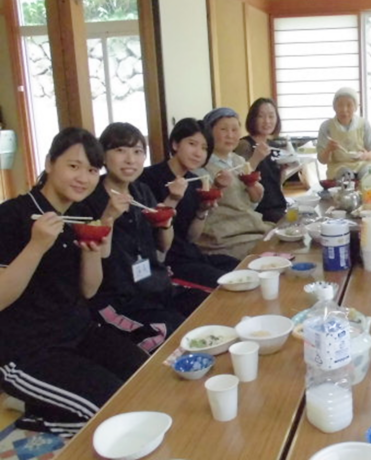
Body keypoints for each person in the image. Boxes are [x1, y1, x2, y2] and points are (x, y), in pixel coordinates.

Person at [0, 128, 147, 437]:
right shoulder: (13, 216)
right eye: (73, 166)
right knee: (108, 415)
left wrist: (93, 250)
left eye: (92, 170)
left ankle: (42, 406)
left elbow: (88, 290)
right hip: (25, 351)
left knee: (144, 380)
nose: (84, 177)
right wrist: (37, 246)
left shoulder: (79, 216)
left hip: (79, 332)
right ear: (50, 163)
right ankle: (37, 415)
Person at [81, 123, 208, 353]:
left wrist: (165, 222)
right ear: (102, 156)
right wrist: (108, 216)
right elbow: (94, 258)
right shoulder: (90, 198)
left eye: (138, 152)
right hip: (118, 298)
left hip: (155, 286)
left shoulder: (142, 192)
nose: (130, 159)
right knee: (175, 333)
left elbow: (163, 247)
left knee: (207, 307)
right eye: (120, 150)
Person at [139, 118, 238, 289]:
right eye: (192, 144)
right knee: (228, 283)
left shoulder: (195, 181)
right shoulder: (149, 179)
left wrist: (202, 210)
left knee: (242, 267)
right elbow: (156, 243)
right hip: (168, 263)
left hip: (190, 254)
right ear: (176, 144)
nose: (199, 153)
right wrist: (173, 200)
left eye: (204, 148)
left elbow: (191, 237)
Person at [197, 107, 273, 261]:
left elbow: (252, 202)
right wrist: (217, 187)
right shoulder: (201, 166)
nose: (230, 135)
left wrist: (253, 187)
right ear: (208, 133)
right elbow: (202, 208)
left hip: (250, 227)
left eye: (235, 129)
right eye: (223, 129)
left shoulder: (238, 160)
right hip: (224, 238)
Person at [235, 98, 292, 223]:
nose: (267, 121)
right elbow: (237, 178)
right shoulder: (245, 145)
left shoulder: (273, 145)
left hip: (277, 206)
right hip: (257, 211)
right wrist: (256, 158)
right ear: (253, 119)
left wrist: (283, 170)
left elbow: (274, 184)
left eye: (271, 116)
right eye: (261, 116)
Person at [316, 87, 371, 180]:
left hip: (363, 163)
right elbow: (322, 160)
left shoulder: (363, 124)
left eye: (349, 105)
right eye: (340, 105)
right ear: (334, 107)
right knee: (345, 178)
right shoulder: (326, 127)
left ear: (355, 107)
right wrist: (328, 149)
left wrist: (366, 155)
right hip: (339, 167)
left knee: (370, 177)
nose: (344, 109)